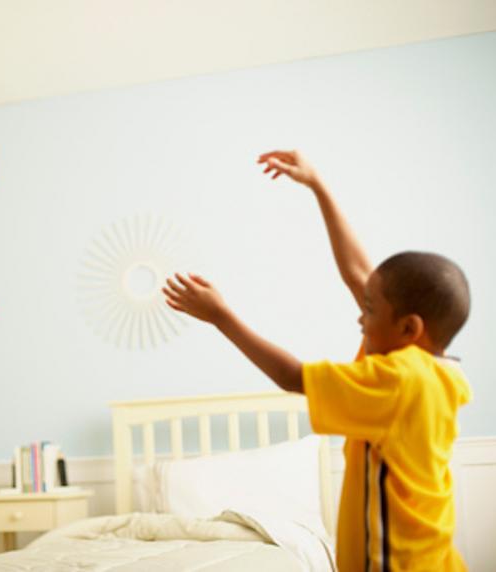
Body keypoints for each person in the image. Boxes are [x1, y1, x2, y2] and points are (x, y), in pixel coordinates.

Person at [162, 149, 471, 571]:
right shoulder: (433, 372)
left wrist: (221, 317)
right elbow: (362, 275)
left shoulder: (398, 379)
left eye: (371, 311)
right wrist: (317, 185)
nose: (360, 315)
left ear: (409, 329)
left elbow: (292, 376)